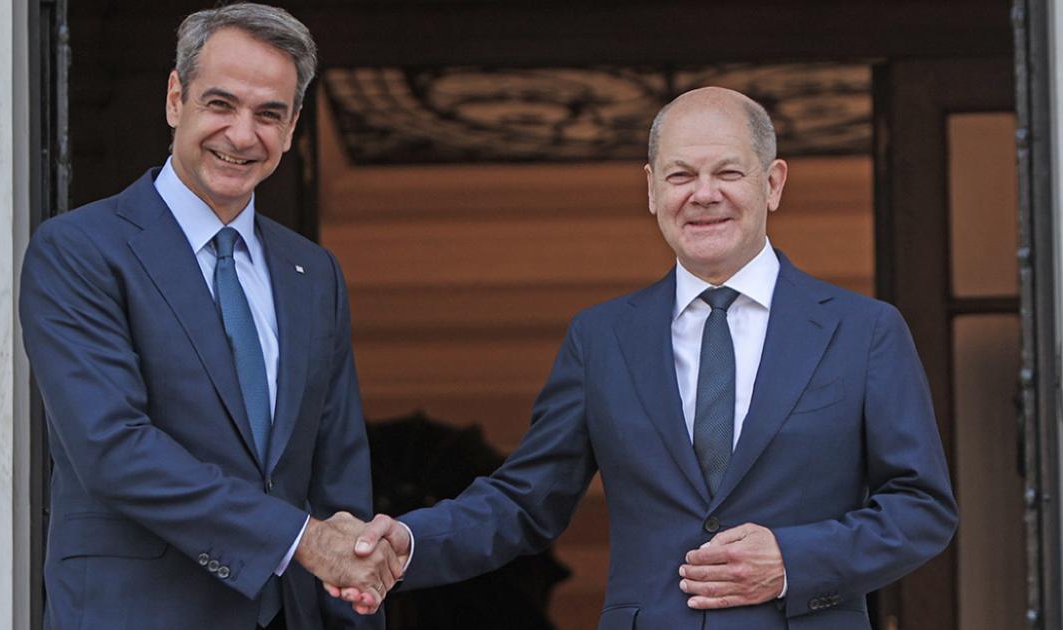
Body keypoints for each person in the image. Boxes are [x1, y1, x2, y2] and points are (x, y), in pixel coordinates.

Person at [335, 86, 957, 629]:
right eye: (681, 175)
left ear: (772, 184)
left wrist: (792, 560)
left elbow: (921, 507)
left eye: (728, 173)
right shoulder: (602, 338)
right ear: (653, 189)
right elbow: (527, 499)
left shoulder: (864, 331)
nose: (704, 194)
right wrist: (411, 542)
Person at [20, 4, 403, 629]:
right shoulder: (80, 251)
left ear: (292, 126)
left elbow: (338, 483)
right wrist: (299, 539)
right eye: (221, 104)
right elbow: (114, 449)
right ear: (176, 98)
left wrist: (353, 595)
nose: (242, 135)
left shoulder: (313, 273)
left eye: (269, 114)